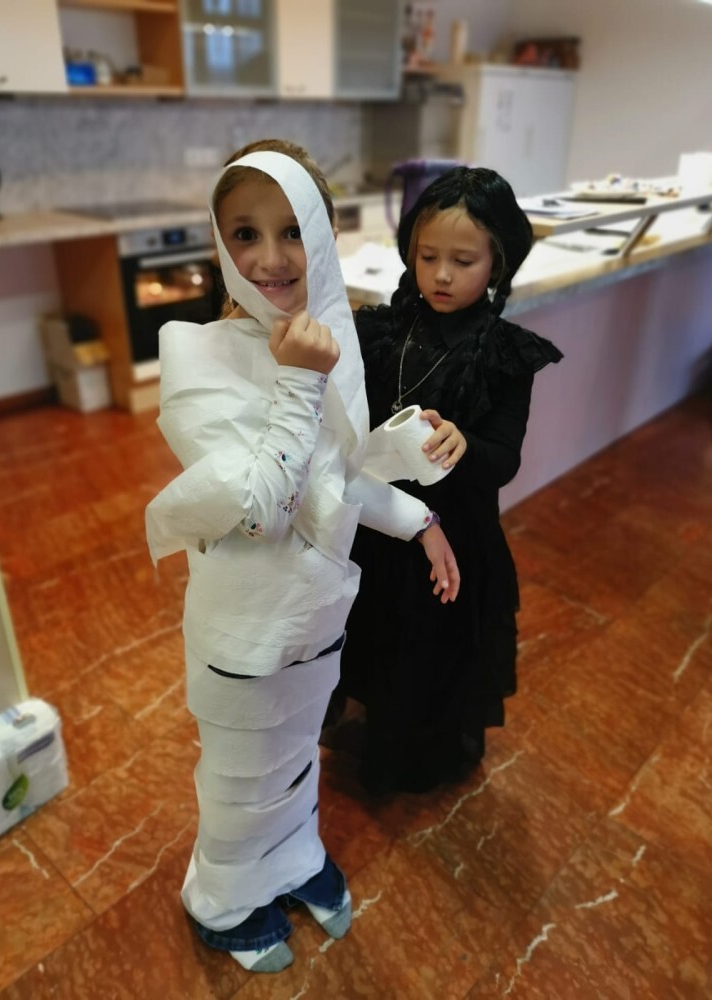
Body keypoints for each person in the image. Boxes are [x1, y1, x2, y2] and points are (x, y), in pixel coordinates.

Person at [144, 139, 459, 974]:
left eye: (291, 230)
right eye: (245, 234)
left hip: (318, 616)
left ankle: (291, 860)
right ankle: (221, 900)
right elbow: (258, 512)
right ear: (220, 243)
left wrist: (419, 519)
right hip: (244, 635)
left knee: (292, 763)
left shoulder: (326, 340)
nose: (272, 257)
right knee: (241, 780)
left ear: (321, 233)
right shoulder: (194, 354)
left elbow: (336, 478)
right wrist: (299, 382)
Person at [333, 165, 563, 795]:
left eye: (463, 261)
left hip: (455, 532)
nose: (440, 275)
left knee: (431, 650)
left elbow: (505, 458)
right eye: (427, 256)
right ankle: (377, 735)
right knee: (374, 635)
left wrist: (466, 445)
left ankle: (418, 755)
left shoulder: (504, 354)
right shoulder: (380, 330)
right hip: (378, 520)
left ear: (498, 262)